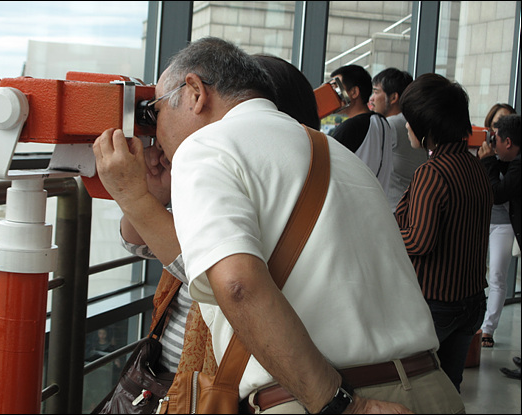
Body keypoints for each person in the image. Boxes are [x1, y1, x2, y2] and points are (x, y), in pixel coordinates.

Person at [94, 37, 464, 414]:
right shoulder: (334, 153)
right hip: (430, 386)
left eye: (157, 111)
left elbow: (237, 286)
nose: (157, 130)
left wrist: (343, 407)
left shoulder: (206, 147)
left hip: (325, 397)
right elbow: (204, 262)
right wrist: (138, 200)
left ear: (194, 92)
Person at [118, 53, 325, 376]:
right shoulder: (226, 165)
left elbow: (214, 273)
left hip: (221, 377)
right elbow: (139, 244)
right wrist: (152, 196)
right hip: (173, 369)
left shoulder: (265, 177)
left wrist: (133, 197)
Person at [396, 73, 494, 393]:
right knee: (449, 388)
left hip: (436, 303)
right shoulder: (474, 166)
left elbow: (420, 241)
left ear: (427, 128)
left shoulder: (432, 172)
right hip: (471, 299)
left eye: (411, 121)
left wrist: (387, 234)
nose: (407, 127)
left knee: (414, 389)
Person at [478, 104, 517, 348]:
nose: (497, 131)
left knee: (497, 276)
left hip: (504, 224)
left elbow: (500, 193)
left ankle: (487, 329)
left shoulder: (512, 159)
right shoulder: (480, 151)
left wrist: (492, 161)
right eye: (495, 124)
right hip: (480, 220)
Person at [369, 68, 427, 212]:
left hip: (393, 210)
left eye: (376, 92)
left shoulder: (390, 125)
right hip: (410, 208)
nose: (372, 98)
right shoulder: (410, 122)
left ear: (394, 97)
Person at [328, 64, 393, 194]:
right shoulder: (381, 122)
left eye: (336, 88)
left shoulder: (353, 126)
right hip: (378, 202)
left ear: (354, 92)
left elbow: (324, 164)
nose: (331, 94)